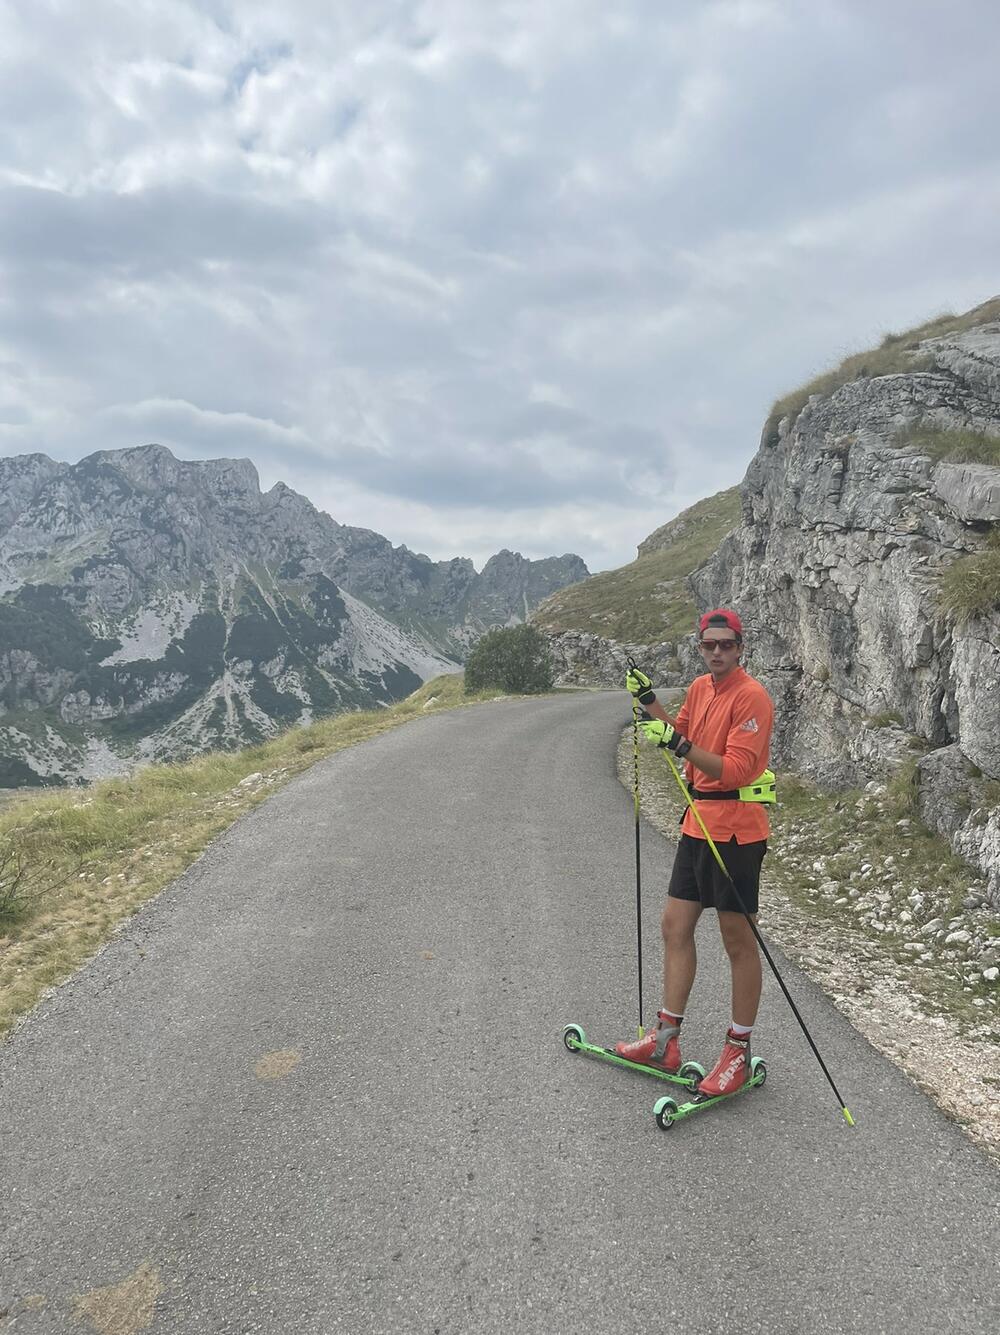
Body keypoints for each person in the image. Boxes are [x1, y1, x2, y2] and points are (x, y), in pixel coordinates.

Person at [616, 608, 775, 1097]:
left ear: (741, 647)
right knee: (675, 926)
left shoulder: (752, 698)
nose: (718, 652)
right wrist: (648, 703)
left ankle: (737, 1054)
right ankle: (666, 1040)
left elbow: (733, 770)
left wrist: (679, 743)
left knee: (736, 940)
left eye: (727, 644)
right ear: (700, 647)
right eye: (710, 645)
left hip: (737, 832)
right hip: (697, 823)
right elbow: (673, 733)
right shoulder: (701, 688)